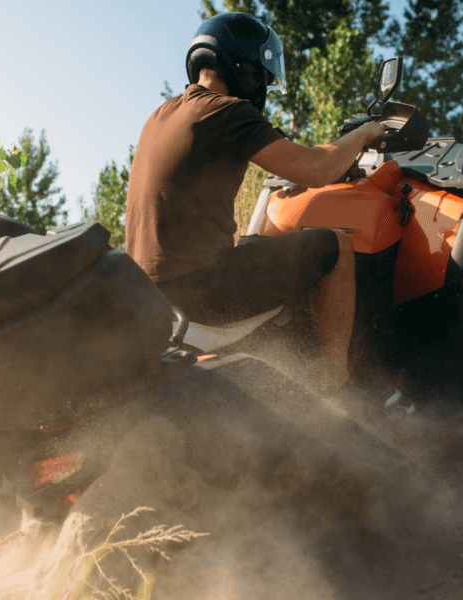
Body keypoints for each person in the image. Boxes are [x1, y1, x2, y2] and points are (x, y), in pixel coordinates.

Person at [124, 12, 386, 390]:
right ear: (244, 68)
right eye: (261, 75)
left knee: (252, 244)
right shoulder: (227, 111)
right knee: (338, 246)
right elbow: (316, 169)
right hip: (200, 292)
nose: (261, 85)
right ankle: (337, 383)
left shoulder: (161, 115)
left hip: (152, 297)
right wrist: (364, 134)